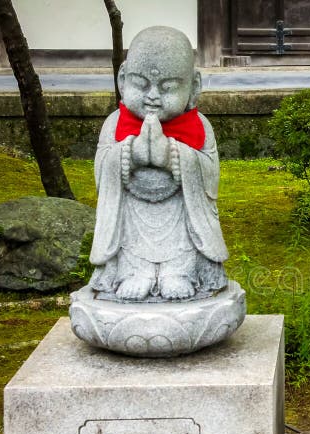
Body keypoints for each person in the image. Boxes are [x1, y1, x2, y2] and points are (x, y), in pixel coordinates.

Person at [89, 26, 228, 301]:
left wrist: (171, 156)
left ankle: (179, 272)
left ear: (194, 86)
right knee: (130, 239)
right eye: (141, 84)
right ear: (122, 79)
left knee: (183, 242)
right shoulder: (115, 124)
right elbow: (101, 172)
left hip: (179, 221)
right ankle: (133, 272)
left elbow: (210, 177)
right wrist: (132, 153)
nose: (152, 95)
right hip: (132, 221)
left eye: (167, 88)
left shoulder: (199, 128)